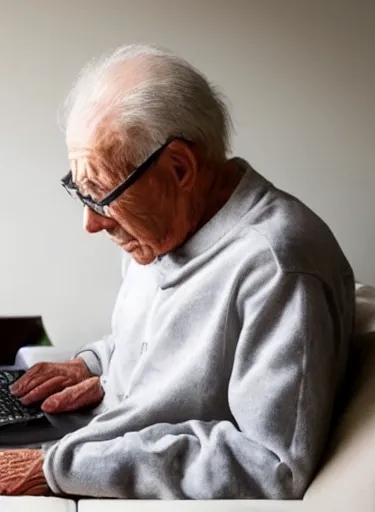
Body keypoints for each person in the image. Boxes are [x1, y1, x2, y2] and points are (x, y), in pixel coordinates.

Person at [1, 44, 355, 499]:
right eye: (80, 190)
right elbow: (166, 341)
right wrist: (92, 364)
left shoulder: (277, 266)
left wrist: (56, 468)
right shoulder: (162, 229)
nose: (91, 222)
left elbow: (271, 464)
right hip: (86, 444)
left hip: (100, 475)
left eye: (102, 193)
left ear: (180, 167)